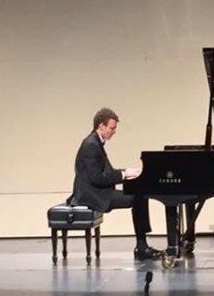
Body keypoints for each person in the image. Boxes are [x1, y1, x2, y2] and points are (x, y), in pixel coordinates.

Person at [68, 107, 161, 260]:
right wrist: (125, 174)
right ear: (101, 126)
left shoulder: (95, 142)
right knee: (137, 197)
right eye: (112, 128)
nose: (114, 131)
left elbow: (105, 174)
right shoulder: (91, 145)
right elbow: (97, 178)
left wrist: (128, 172)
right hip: (91, 195)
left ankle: (142, 245)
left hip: (96, 190)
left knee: (139, 195)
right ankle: (141, 246)